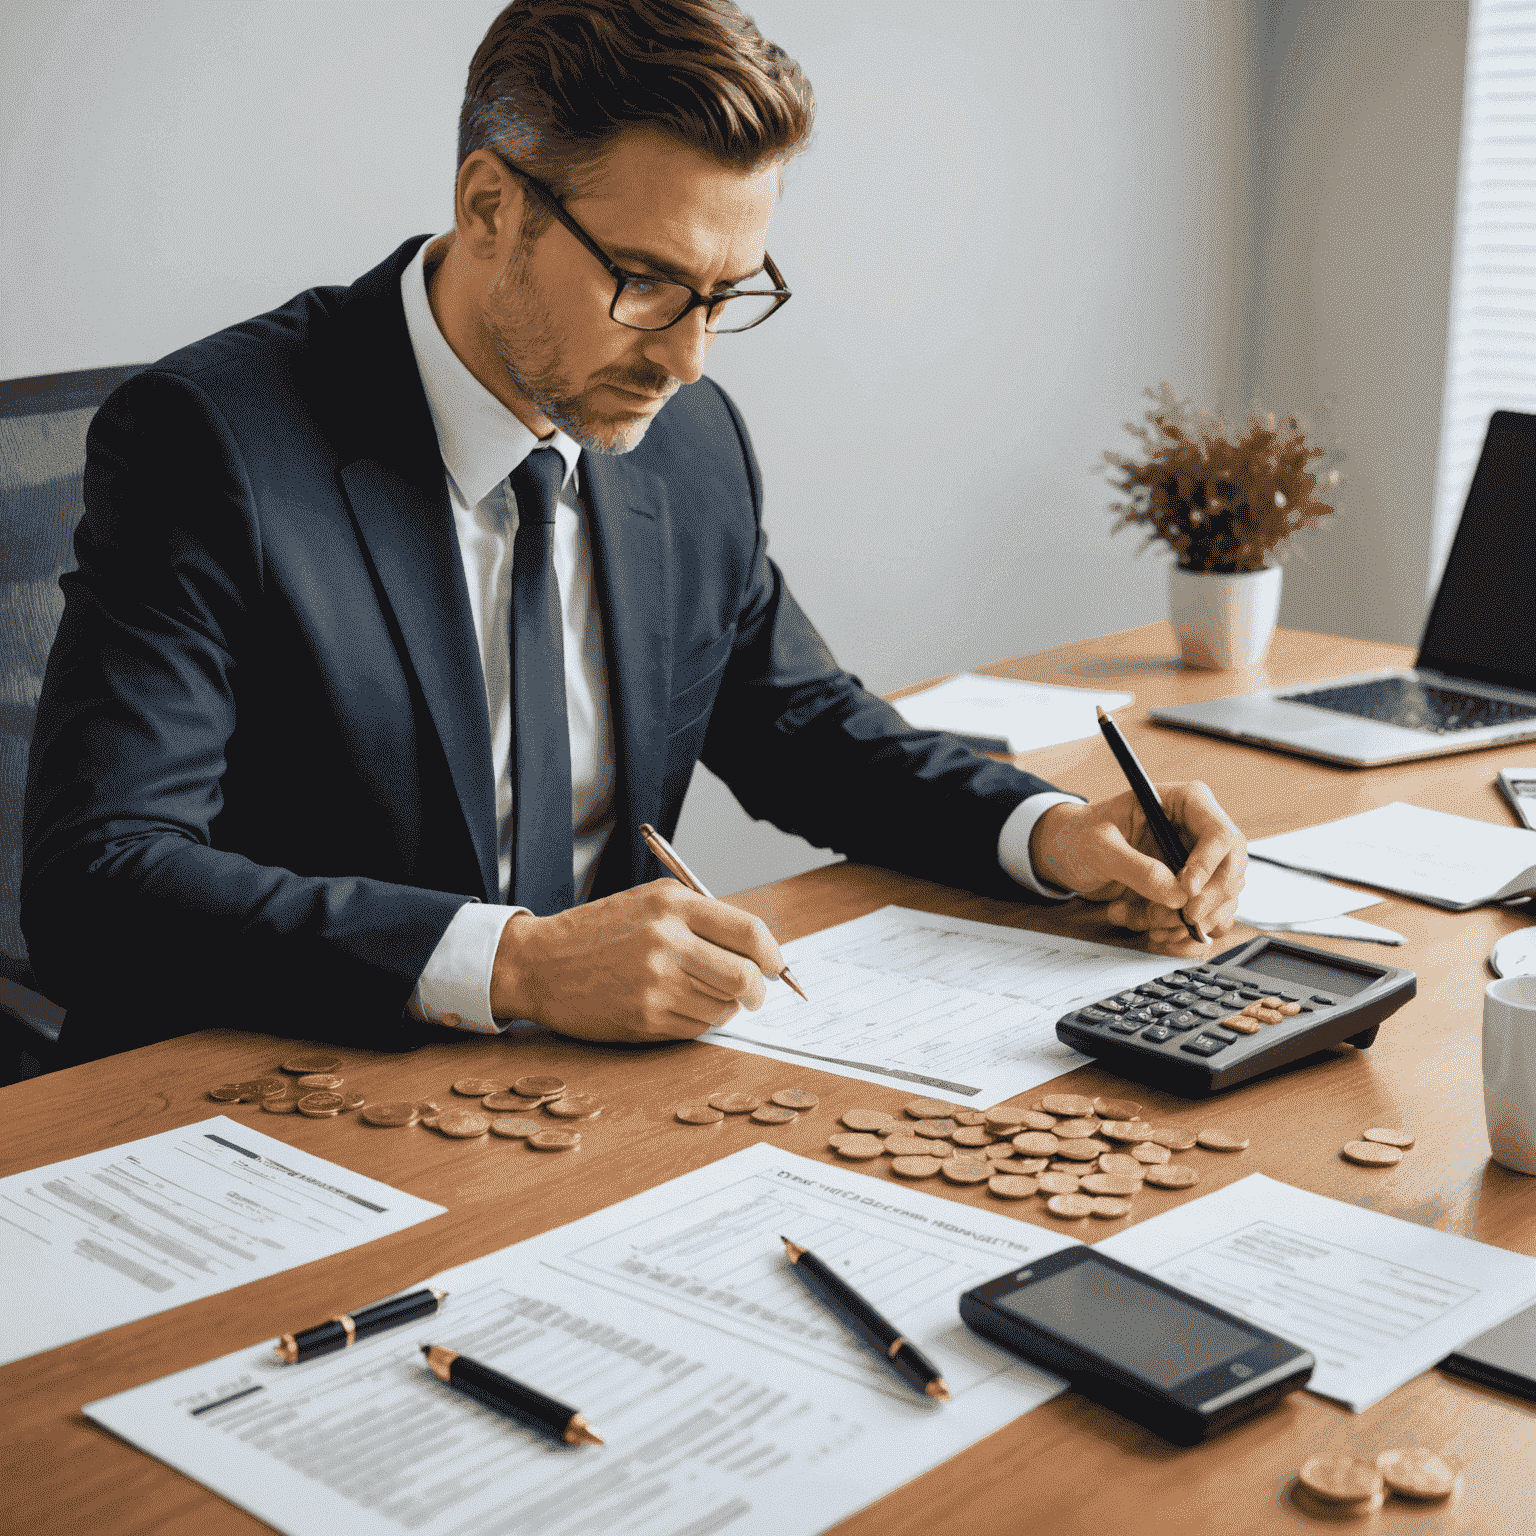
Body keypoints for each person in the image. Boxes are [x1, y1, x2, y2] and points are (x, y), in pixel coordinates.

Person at [22, 0, 1245, 1064]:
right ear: (490, 205)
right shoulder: (212, 443)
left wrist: (1051, 833)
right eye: (649, 281)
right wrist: (521, 967)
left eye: (730, 293)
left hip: (570, 1103)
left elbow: (807, 727)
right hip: (263, 1098)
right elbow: (99, 880)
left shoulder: (690, 439)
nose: (690, 357)